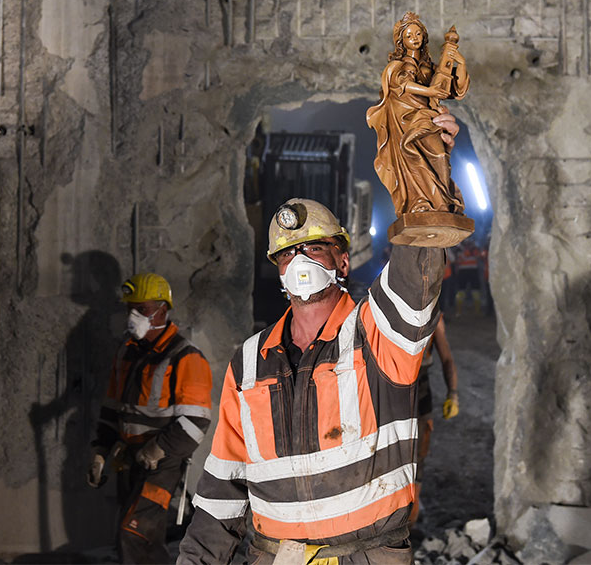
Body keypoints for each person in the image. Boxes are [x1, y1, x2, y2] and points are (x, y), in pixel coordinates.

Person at [178, 110, 457, 565]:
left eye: (314, 247)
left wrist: (427, 169)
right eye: (287, 253)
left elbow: (414, 276)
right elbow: (221, 492)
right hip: (277, 557)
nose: (300, 260)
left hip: (365, 557)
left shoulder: (376, 334)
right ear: (279, 272)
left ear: (342, 261)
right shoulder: (248, 363)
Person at [87, 272, 213, 564]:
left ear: (162, 310)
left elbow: (197, 421)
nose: (133, 316)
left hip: (162, 464)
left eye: (141, 309)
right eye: (129, 309)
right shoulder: (127, 353)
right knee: (137, 537)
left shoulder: (185, 357)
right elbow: (112, 409)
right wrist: (100, 452)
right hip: (130, 459)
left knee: (136, 533)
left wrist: (159, 448)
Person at [366, 12, 469, 218]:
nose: (415, 38)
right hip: (405, 121)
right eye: (409, 35)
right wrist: (429, 92)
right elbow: (402, 84)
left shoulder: (428, 68)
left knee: (439, 155)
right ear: (401, 42)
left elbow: (453, 90)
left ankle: (441, 203)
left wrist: (462, 65)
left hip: (427, 118)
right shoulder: (397, 67)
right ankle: (419, 202)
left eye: (418, 33)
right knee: (410, 155)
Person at [408, 315, 458, 528]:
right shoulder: (386, 306)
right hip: (395, 390)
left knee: (418, 455)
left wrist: (453, 393)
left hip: (420, 389)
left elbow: (447, 358)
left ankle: (411, 516)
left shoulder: (433, 317)